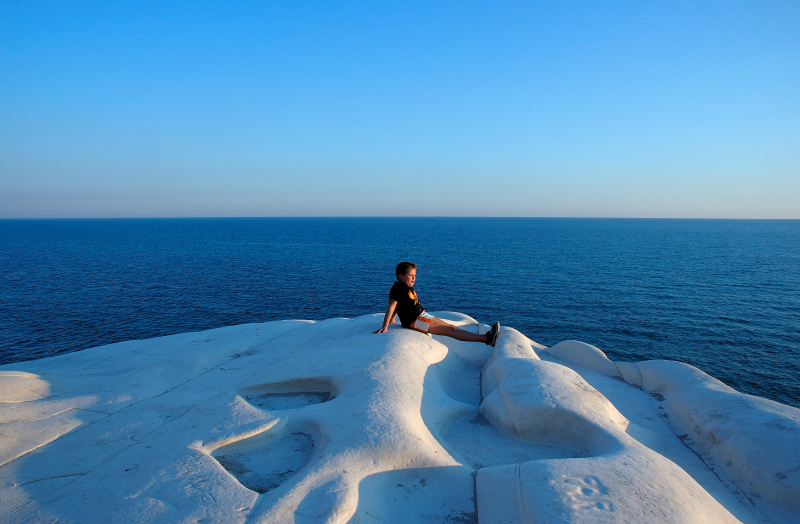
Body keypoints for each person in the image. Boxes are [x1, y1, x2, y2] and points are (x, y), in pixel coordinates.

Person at [374, 261, 500, 346]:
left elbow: (400, 304)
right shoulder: (397, 288)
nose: (414, 278)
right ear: (401, 276)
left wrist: (393, 319)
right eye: (410, 275)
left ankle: (486, 337)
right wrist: (385, 326)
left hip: (422, 316)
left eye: (415, 275)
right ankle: (486, 339)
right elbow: (391, 306)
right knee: (451, 331)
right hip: (416, 320)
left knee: (452, 328)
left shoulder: (404, 287)